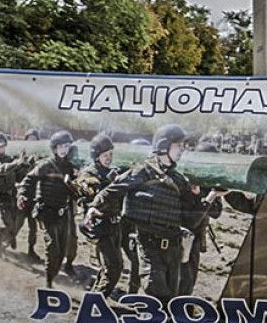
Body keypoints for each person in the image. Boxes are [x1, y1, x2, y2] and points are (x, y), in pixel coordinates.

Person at [87, 124, 223, 304]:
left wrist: (209, 197)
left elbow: (191, 221)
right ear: (164, 146)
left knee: (170, 300)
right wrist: (94, 207)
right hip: (149, 245)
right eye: (178, 145)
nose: (182, 149)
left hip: (174, 249)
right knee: (156, 294)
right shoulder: (142, 171)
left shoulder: (179, 180)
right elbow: (114, 189)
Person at [17, 131, 77, 288]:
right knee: (53, 247)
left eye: (67, 146)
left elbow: (74, 190)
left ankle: (53, 275)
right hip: (47, 212)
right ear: (54, 148)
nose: (64, 149)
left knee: (62, 250)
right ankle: (48, 283)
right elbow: (29, 180)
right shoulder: (46, 165)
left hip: (63, 212)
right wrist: (22, 195)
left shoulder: (69, 167)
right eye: (60, 146)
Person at [74, 135, 125, 298]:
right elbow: (89, 191)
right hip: (98, 226)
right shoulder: (89, 174)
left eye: (111, 154)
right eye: (105, 155)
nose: (109, 158)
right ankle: (97, 300)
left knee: (112, 266)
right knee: (114, 267)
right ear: (96, 156)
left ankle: (94, 295)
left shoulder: (113, 172)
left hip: (114, 225)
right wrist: (107, 184)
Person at [0, 132, 37, 256]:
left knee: (16, 223)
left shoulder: (8, 158)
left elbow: (19, 175)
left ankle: (8, 240)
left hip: (12, 196)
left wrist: (26, 164)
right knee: (7, 223)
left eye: (4, 145)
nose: (2, 147)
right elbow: (2, 169)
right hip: (1, 197)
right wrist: (17, 163)